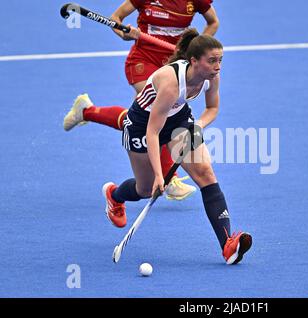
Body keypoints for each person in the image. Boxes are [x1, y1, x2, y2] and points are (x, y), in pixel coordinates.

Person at [100, 29, 252, 264]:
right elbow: (152, 132)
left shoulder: (211, 77)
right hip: (142, 125)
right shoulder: (171, 83)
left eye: (220, 60)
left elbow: (212, 109)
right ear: (194, 61)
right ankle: (114, 195)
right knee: (145, 188)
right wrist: (161, 177)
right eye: (212, 60)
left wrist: (197, 126)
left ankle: (227, 244)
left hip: (178, 119)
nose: (218, 66)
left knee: (205, 173)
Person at [63, 0, 219, 201]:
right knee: (155, 116)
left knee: (146, 119)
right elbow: (116, 19)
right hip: (143, 61)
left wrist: (197, 50)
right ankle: (166, 177)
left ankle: (87, 111)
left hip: (177, 64)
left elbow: (213, 22)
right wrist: (125, 33)